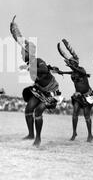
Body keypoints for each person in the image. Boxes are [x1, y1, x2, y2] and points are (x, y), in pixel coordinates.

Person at [10, 16, 62, 147]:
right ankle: (31, 134)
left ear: (29, 53)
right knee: (28, 109)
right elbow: (23, 43)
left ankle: (38, 138)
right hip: (39, 89)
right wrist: (15, 32)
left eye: (24, 53)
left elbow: (44, 70)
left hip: (51, 92)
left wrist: (30, 67)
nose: (22, 55)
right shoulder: (31, 62)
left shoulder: (38, 60)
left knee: (38, 111)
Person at [57, 39, 93, 142]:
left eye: (72, 63)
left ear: (76, 64)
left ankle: (90, 135)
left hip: (87, 95)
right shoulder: (73, 72)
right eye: (70, 63)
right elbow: (71, 72)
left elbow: (79, 71)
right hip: (78, 96)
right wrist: (62, 72)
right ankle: (74, 133)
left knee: (87, 115)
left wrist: (72, 66)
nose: (71, 64)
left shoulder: (81, 69)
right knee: (75, 113)